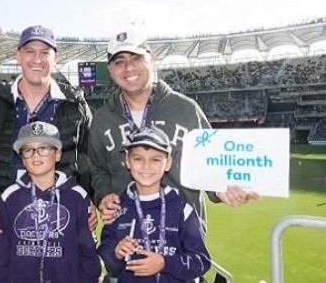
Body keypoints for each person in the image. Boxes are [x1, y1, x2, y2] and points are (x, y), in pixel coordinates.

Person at [88, 29, 262, 227]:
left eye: (136, 57)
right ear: (110, 70)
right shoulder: (102, 119)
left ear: (151, 58)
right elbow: (98, 170)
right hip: (126, 234)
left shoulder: (186, 109)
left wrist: (223, 189)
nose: (128, 67)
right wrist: (103, 195)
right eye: (119, 62)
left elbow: (212, 164)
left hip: (182, 236)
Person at [0, 25, 95, 242]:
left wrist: (89, 197)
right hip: (6, 226)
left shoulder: (75, 104)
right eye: (30, 51)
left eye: (45, 52)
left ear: (55, 58)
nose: (37, 59)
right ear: (18, 56)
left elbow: (91, 158)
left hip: (63, 225)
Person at [98, 126, 211, 283]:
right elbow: (108, 259)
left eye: (156, 159)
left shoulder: (182, 210)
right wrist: (116, 253)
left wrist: (165, 263)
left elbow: (201, 262)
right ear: (127, 161)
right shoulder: (117, 209)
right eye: (138, 159)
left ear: (168, 163)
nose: (146, 166)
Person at [0, 121, 100, 283]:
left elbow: (88, 255)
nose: (35, 155)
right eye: (28, 150)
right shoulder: (10, 198)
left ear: (57, 154)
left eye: (44, 148)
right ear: (22, 158)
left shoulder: (77, 197)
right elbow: (1, 253)